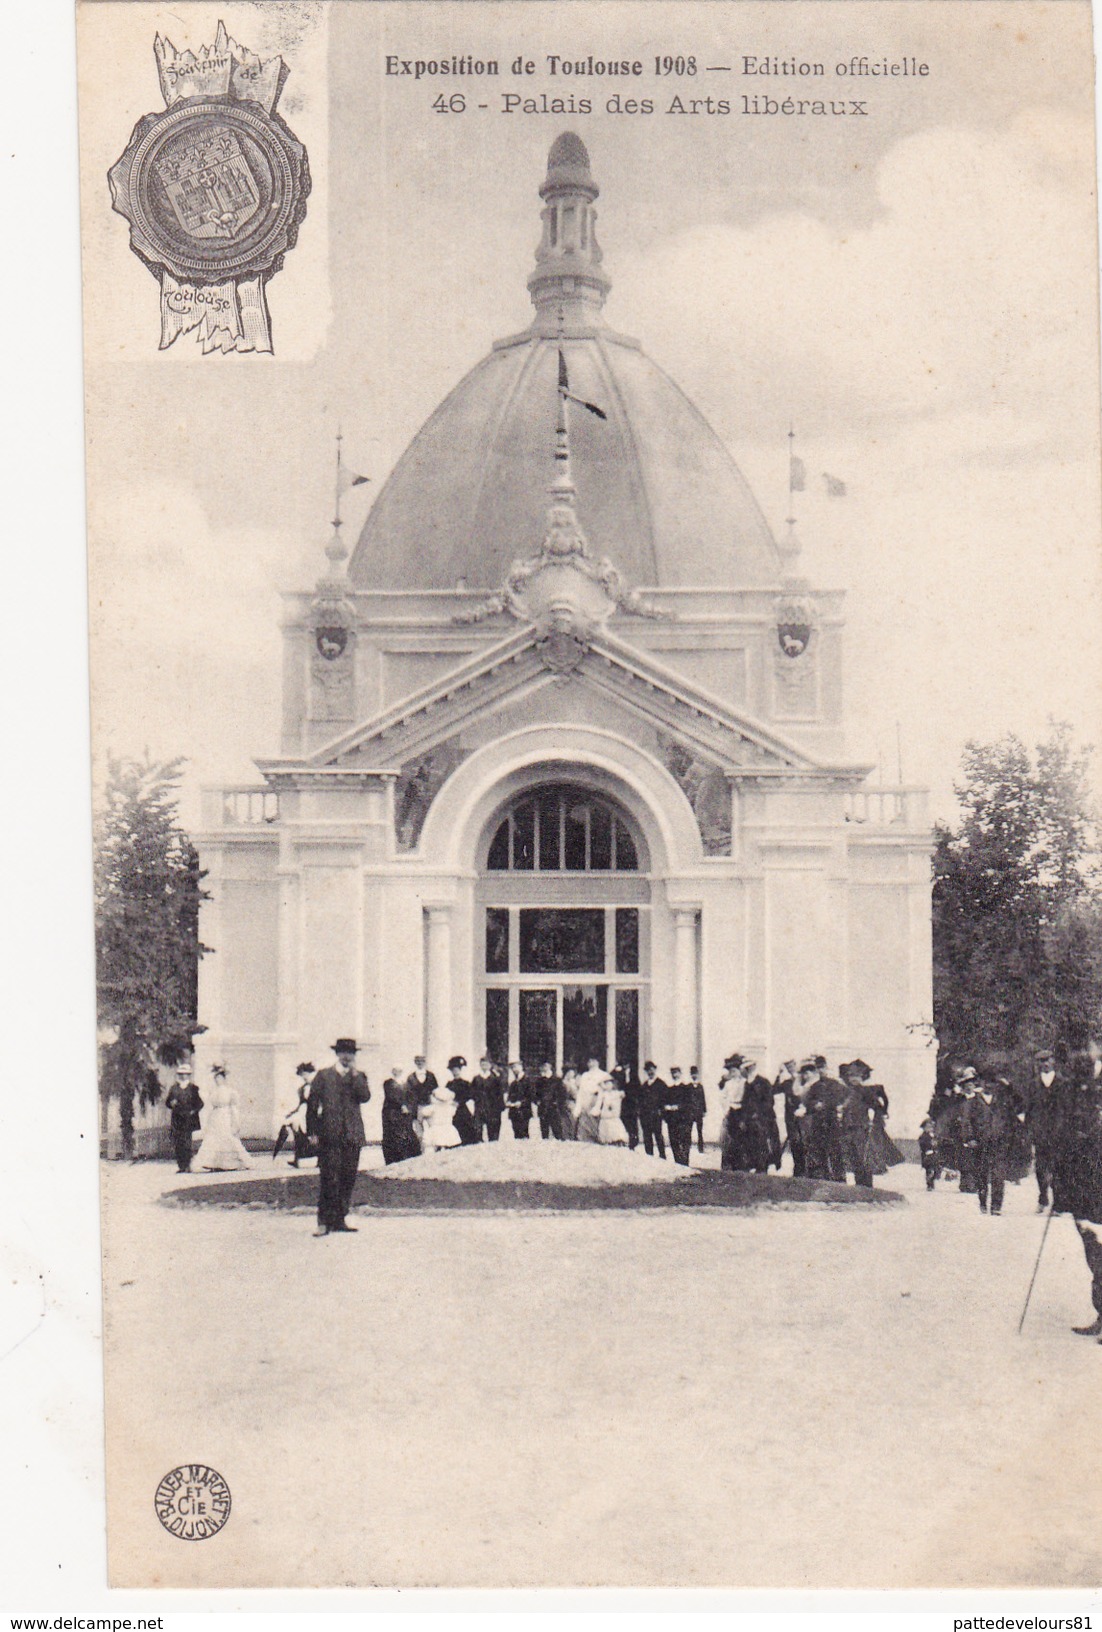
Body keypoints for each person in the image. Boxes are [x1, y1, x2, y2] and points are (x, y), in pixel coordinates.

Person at [1051, 1046, 1102, 1338]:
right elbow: (1060, 1136)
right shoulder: (1069, 1091)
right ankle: (1101, 1314)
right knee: (1094, 1254)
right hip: (1083, 1185)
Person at [307, 1039, 371, 1236]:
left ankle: (339, 1219)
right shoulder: (324, 1075)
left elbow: (365, 1097)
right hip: (330, 1134)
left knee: (348, 1178)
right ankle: (323, 1221)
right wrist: (312, 1132)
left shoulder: (359, 1076)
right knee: (329, 1178)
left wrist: (355, 1075)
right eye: (343, 1052)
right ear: (337, 1054)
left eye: (351, 1053)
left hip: (352, 1135)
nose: (347, 1056)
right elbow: (312, 1104)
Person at [962, 1071, 1023, 1215]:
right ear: (980, 1084)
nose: (989, 1085)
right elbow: (966, 1122)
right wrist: (970, 1138)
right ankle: (983, 1202)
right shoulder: (972, 1103)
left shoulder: (1002, 1102)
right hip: (980, 1143)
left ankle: (996, 1206)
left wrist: (1009, 1086)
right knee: (981, 1174)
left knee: (998, 1175)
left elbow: (1019, 1104)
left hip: (999, 1143)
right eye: (985, 1082)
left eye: (992, 1082)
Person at [195, 1064, 253, 1172]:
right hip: (215, 1116)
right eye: (216, 1078)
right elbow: (209, 1104)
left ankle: (234, 1162)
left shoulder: (230, 1092)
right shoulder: (213, 1091)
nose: (218, 1080)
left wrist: (235, 1121)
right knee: (213, 1138)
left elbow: (234, 1107)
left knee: (227, 1136)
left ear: (224, 1079)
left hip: (225, 1115)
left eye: (220, 1078)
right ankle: (212, 1162)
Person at [797, 1058, 846, 1182]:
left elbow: (842, 1098)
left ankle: (839, 1177)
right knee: (819, 1149)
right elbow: (808, 1101)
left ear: (826, 1067)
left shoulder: (836, 1084)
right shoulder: (815, 1086)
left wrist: (826, 1104)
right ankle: (824, 1176)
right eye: (818, 1069)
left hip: (831, 1120)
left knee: (835, 1149)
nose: (821, 1071)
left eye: (822, 1068)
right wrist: (814, 1105)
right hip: (818, 1122)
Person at [1028, 1048, 1065, 1212]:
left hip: (1058, 1132)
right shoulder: (1033, 1084)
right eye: (1041, 1061)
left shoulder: (1063, 1082)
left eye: (1047, 1060)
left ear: (1053, 1061)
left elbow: (1067, 1108)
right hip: (1040, 1132)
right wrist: (1030, 1130)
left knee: (1058, 1167)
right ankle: (1043, 1197)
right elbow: (1029, 1109)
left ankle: (1057, 1203)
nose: (1045, 1064)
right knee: (1041, 1167)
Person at [837, 1061, 877, 1187]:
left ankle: (866, 1185)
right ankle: (857, 1184)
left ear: (861, 1077)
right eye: (851, 1075)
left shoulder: (866, 1091)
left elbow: (877, 1107)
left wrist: (871, 1122)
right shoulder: (845, 1091)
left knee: (862, 1157)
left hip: (861, 1128)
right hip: (847, 1128)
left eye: (856, 1076)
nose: (853, 1078)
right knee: (851, 1157)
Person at [164, 1062, 203, 1174]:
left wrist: (193, 1111)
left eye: (185, 1074)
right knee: (178, 1142)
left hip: (188, 1119)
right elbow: (167, 1103)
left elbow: (200, 1103)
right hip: (177, 1119)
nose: (183, 1076)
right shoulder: (174, 1088)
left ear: (189, 1075)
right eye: (181, 1074)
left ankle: (187, 1165)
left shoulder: (193, 1088)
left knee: (187, 1142)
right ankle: (181, 1166)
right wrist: (172, 1103)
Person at [273, 1062, 314, 1166]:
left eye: (304, 1074)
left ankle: (295, 1158)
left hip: (309, 1113)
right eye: (301, 1074)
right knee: (289, 1127)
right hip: (302, 1112)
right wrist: (293, 1112)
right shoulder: (303, 1087)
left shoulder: (314, 1086)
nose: (303, 1076)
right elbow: (301, 1103)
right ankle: (291, 1157)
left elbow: (313, 1102)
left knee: (296, 1130)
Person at [381, 1065, 420, 1165]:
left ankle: (407, 1160)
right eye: (395, 1070)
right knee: (393, 1136)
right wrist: (402, 1105)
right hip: (392, 1113)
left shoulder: (406, 1084)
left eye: (399, 1070)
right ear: (392, 1071)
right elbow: (391, 1096)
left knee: (407, 1135)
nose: (397, 1072)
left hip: (405, 1114)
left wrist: (408, 1107)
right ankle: (393, 1161)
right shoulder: (389, 1083)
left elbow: (413, 1097)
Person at [422, 1074, 462, 1154]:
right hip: (447, 1127)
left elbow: (424, 1112)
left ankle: (441, 1150)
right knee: (446, 1142)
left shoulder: (433, 1108)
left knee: (436, 1142)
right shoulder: (450, 1108)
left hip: (437, 1128)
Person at [663, 1066, 694, 1167]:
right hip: (672, 1120)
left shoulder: (686, 1088)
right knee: (674, 1141)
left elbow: (689, 1104)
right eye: (673, 1073)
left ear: (680, 1073)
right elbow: (665, 1103)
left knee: (684, 1140)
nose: (674, 1075)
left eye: (676, 1072)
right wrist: (667, 1109)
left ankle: (685, 1162)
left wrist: (678, 1107)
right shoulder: (669, 1089)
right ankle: (677, 1162)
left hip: (683, 1119)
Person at [405, 1055, 437, 1148]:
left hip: (429, 1105)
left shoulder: (431, 1076)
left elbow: (435, 1090)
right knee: (419, 1131)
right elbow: (408, 1094)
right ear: (415, 1063)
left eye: (422, 1061)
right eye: (418, 1062)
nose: (420, 1063)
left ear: (425, 1062)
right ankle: (421, 1150)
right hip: (417, 1107)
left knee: (433, 1128)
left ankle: (435, 1149)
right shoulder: (411, 1077)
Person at [471, 1056, 505, 1142]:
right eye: (482, 1064)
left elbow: (500, 1094)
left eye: (486, 1064)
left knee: (493, 1129)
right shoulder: (476, 1079)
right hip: (480, 1107)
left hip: (492, 1107)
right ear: (480, 1065)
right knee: (478, 1128)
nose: (484, 1066)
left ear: (490, 1065)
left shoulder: (496, 1079)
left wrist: (500, 1107)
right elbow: (473, 1093)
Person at [637, 1061, 668, 1158]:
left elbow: (665, 1099)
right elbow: (640, 1100)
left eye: (652, 1070)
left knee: (658, 1135)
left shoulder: (661, 1084)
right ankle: (649, 1156)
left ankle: (662, 1156)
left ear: (655, 1069)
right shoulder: (644, 1085)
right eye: (648, 1070)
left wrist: (661, 1111)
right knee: (647, 1136)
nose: (650, 1072)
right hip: (645, 1115)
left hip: (656, 1115)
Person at [447, 1056, 480, 1145]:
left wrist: (459, 1102)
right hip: (452, 1109)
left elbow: (469, 1095)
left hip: (462, 1108)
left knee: (467, 1127)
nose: (455, 1072)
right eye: (453, 1070)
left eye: (457, 1069)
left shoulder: (465, 1083)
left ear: (460, 1070)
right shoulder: (449, 1084)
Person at [536, 1061, 568, 1140]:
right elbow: (536, 1094)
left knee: (557, 1131)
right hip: (543, 1108)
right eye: (543, 1066)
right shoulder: (539, 1081)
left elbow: (562, 1094)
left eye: (546, 1066)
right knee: (544, 1132)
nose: (544, 1068)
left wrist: (557, 1103)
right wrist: (538, 1101)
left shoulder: (557, 1080)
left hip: (554, 1109)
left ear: (550, 1067)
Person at [573, 1061, 604, 1142]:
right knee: (584, 1119)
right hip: (585, 1098)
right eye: (589, 1061)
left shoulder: (603, 1074)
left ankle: (596, 1137)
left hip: (596, 1098)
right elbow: (581, 1090)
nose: (590, 1063)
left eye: (593, 1061)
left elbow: (603, 1090)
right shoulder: (585, 1075)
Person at [596, 1074, 628, 1144]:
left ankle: (618, 1140)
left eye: (610, 1084)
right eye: (606, 1084)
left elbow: (623, 1095)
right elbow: (599, 1104)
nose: (608, 1086)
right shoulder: (603, 1094)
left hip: (614, 1115)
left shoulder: (617, 1093)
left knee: (616, 1129)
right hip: (606, 1115)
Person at [505, 1061, 534, 1139]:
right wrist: (508, 1102)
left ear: (521, 1067)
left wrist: (521, 1103)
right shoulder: (513, 1083)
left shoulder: (528, 1080)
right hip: (514, 1111)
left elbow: (531, 1095)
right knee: (516, 1133)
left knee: (524, 1132)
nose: (514, 1069)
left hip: (524, 1110)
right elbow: (510, 1096)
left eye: (516, 1067)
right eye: (512, 1068)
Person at [688, 1066, 707, 1155]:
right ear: (691, 1075)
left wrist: (704, 1110)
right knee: (689, 1130)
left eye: (695, 1073)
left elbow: (703, 1099)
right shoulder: (688, 1087)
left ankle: (701, 1148)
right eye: (692, 1074)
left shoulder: (700, 1086)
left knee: (699, 1131)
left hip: (699, 1112)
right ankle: (688, 1146)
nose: (694, 1075)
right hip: (690, 1112)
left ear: (698, 1074)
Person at [918, 1117, 939, 1190]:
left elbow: (938, 1143)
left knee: (936, 1169)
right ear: (924, 1128)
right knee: (929, 1169)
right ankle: (929, 1185)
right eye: (928, 1127)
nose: (930, 1128)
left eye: (931, 1127)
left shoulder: (935, 1136)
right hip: (927, 1155)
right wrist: (928, 1148)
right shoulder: (923, 1136)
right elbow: (922, 1144)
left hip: (934, 1155)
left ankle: (932, 1181)